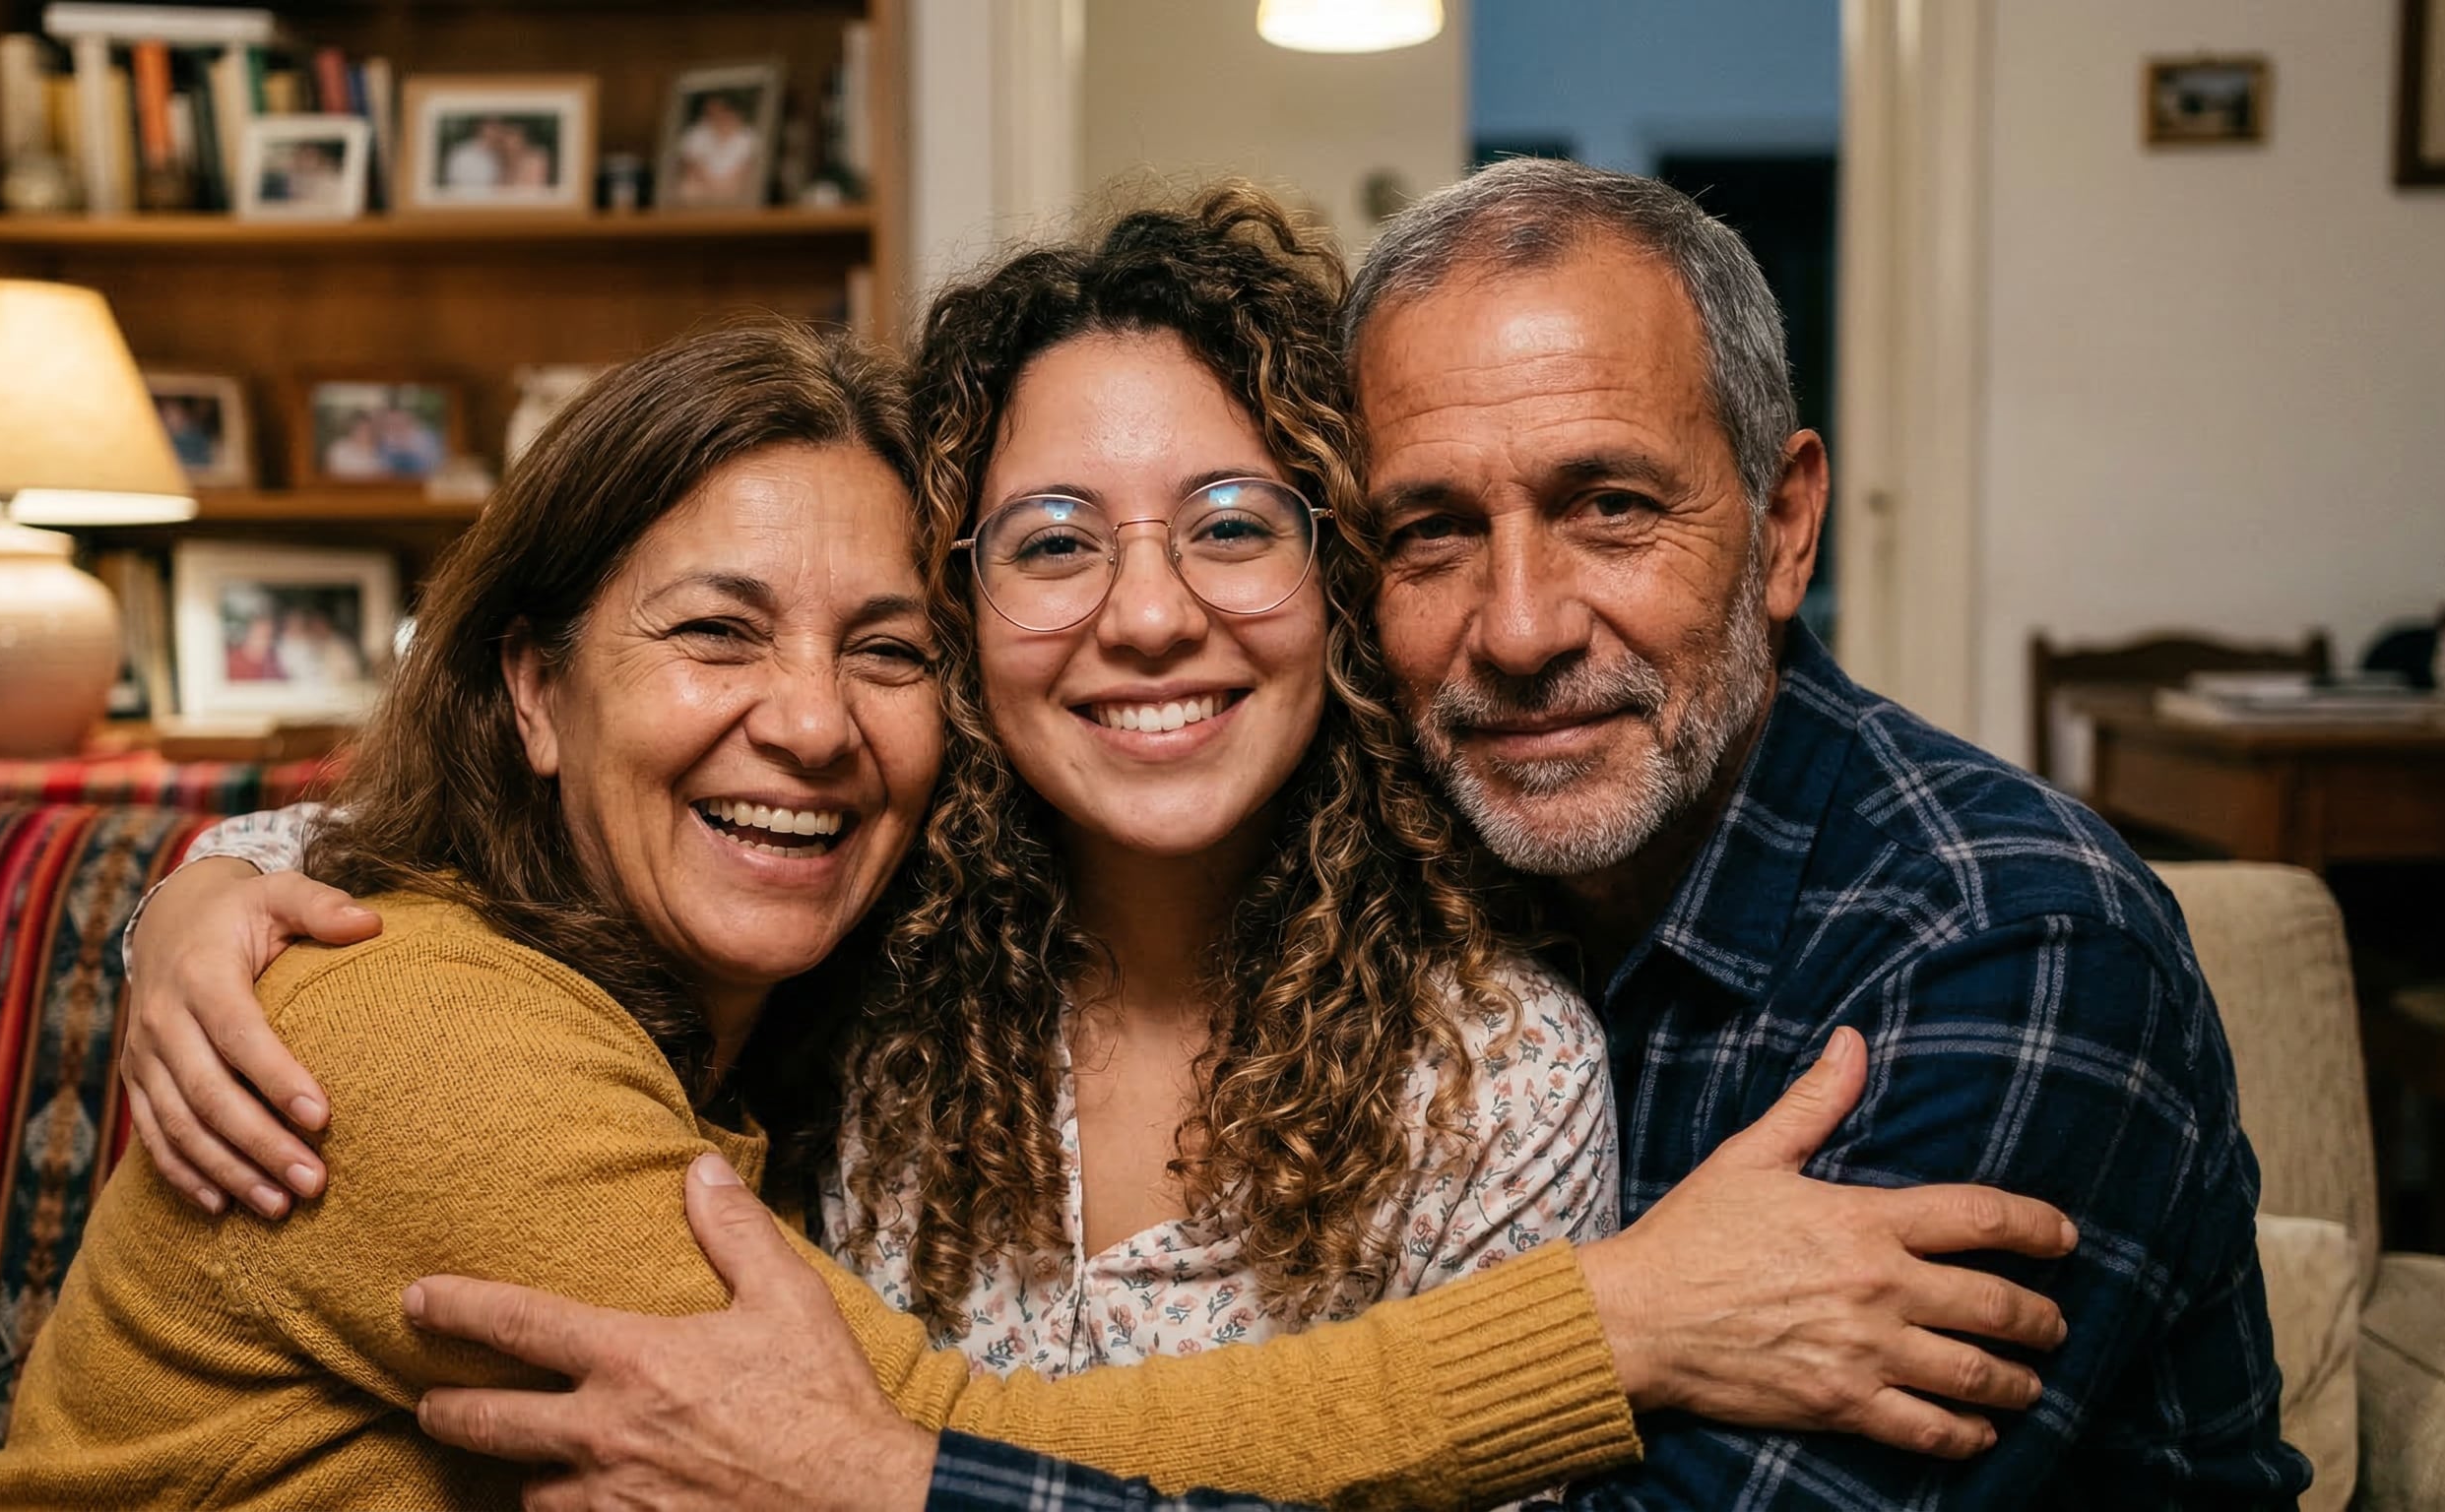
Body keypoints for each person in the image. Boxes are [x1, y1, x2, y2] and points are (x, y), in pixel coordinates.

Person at [109, 194, 2081, 1503]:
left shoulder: (1493, 1069)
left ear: (1336, 581)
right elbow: (460, 887)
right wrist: (198, 901)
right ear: (964, 613)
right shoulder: (838, 958)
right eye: (1051, 542)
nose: (1145, 615)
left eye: (1231, 523)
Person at [586, 158, 2301, 1508]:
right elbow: (565, 844)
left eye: (1609, 505)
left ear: (1784, 530)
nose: (1524, 624)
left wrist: (890, 1485)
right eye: (1431, 531)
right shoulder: (887, 943)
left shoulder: (1994, 943)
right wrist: (313, 890)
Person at [0, 320, 1679, 1512]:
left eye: (882, 649)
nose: (811, 724)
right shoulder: (421, 1029)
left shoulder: (845, 949)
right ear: (534, 692)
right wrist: (1618, 1329)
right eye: (715, 632)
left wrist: (210, 880)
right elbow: (938, 1456)